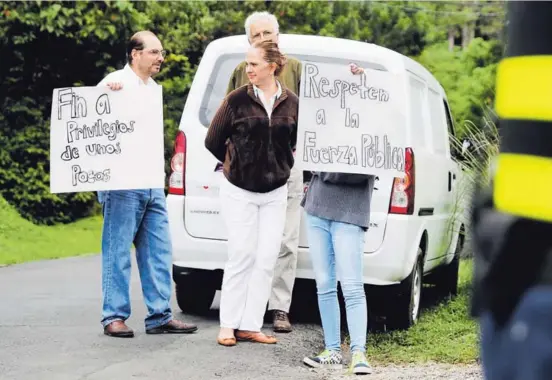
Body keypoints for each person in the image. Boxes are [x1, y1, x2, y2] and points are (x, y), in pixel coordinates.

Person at [226, 10, 365, 333]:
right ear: (250, 41)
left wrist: (354, 79)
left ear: (279, 35)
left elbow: (326, 106)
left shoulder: (299, 70)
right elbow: (226, 118)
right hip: (246, 171)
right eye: (258, 35)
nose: (265, 39)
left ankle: (278, 308)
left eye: (269, 33)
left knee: (285, 239)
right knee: (245, 244)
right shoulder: (239, 72)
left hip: (287, 166)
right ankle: (246, 312)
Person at [96, 30, 197, 338]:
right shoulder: (113, 83)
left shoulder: (154, 88)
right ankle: (113, 315)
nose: (160, 58)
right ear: (135, 54)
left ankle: (159, 315)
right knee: (117, 250)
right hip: (123, 184)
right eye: (154, 52)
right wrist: (105, 95)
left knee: (158, 250)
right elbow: (93, 129)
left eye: (161, 52)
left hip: (151, 182)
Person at [205, 40, 298, 346]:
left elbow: (295, 141)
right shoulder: (236, 100)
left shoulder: (292, 102)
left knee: (267, 257)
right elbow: (213, 140)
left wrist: (282, 164)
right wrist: (238, 161)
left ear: (272, 67)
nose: (248, 70)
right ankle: (228, 325)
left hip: (275, 191)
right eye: (247, 64)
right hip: (239, 189)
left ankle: (251, 325)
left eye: (254, 64)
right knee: (242, 254)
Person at [301, 171, 375, 374]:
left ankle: (359, 353)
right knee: (324, 284)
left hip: (351, 211)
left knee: (352, 286)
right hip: (316, 208)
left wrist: (323, 172)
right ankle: (332, 350)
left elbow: (364, 172)